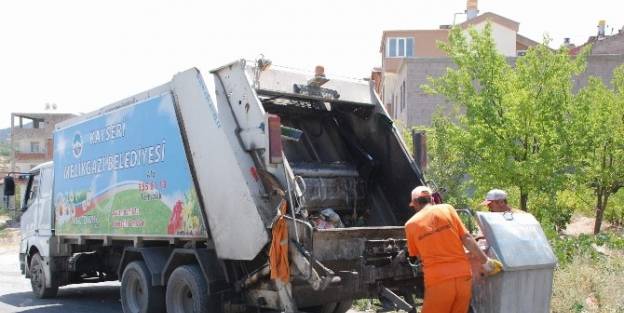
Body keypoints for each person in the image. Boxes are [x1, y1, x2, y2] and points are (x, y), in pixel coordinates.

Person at [404, 186, 501, 313]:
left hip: (438, 281)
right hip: (463, 278)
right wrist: (486, 262)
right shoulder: (447, 209)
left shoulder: (410, 225)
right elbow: (466, 238)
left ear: (415, 203)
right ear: (432, 199)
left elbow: (418, 256)